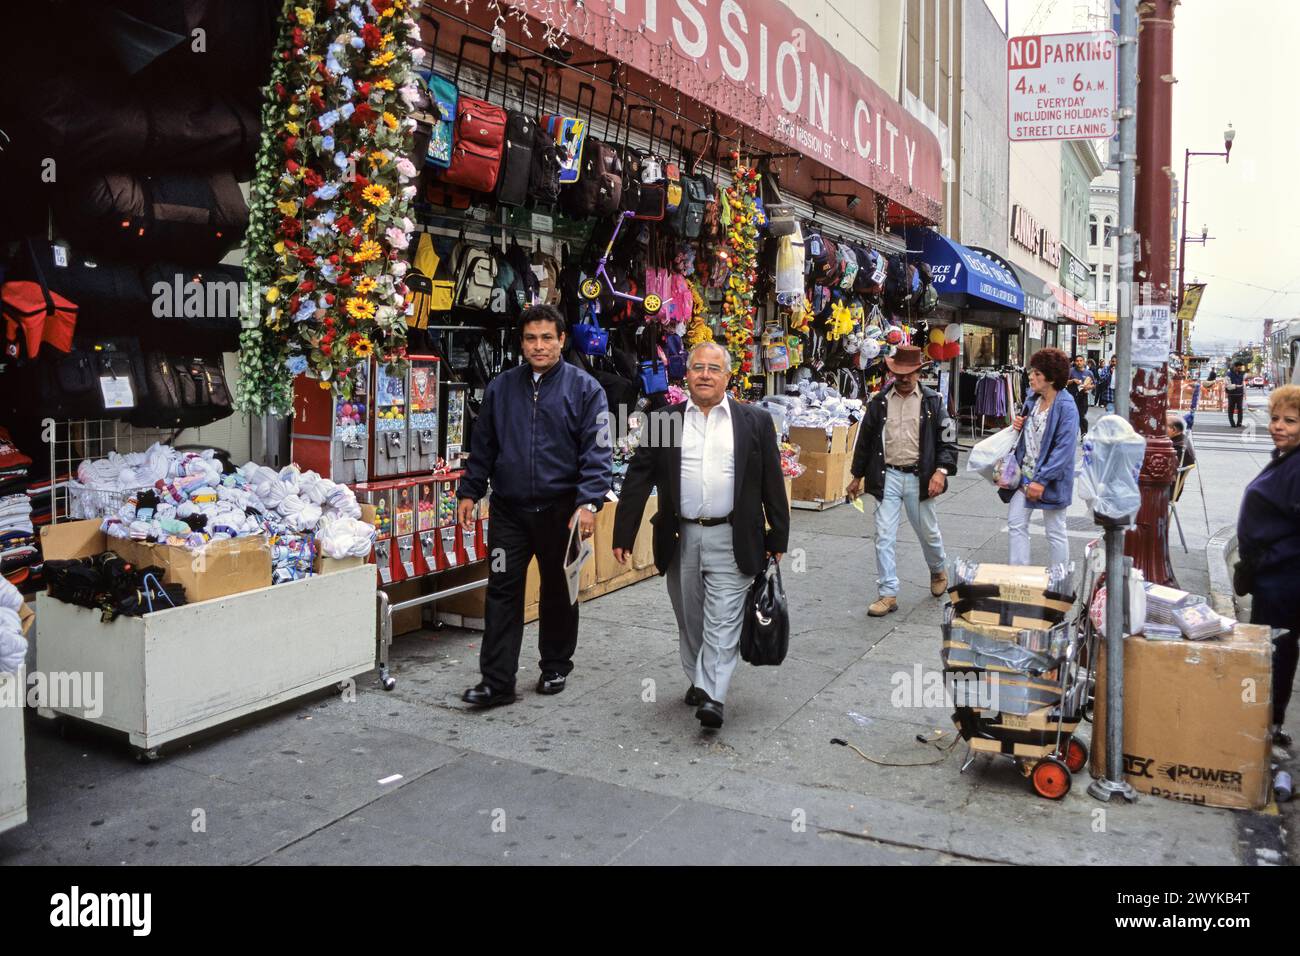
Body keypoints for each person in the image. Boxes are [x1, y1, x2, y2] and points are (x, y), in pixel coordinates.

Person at [611, 341, 789, 729]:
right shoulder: (665, 420)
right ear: (686, 375)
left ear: (727, 376)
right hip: (681, 538)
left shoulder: (753, 422)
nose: (705, 374)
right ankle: (698, 677)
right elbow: (639, 476)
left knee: (723, 619)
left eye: (713, 368)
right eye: (697, 367)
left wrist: (778, 538)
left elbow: (771, 482)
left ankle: (713, 695)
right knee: (689, 617)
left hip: (734, 536)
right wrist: (622, 531)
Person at [455, 304, 612, 709]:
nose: (538, 346)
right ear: (521, 343)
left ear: (562, 340)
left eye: (547, 337)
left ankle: (556, 664)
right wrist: (470, 492)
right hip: (509, 512)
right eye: (530, 338)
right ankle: (497, 682)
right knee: (502, 590)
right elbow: (483, 446)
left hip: (562, 512)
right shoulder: (501, 388)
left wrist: (589, 502)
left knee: (559, 590)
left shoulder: (585, 389)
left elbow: (597, 453)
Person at [846, 343, 958, 617]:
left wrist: (941, 471)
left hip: (920, 477)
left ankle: (937, 569)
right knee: (883, 535)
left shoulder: (933, 401)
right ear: (893, 373)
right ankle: (887, 593)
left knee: (928, 533)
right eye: (899, 373)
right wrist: (856, 476)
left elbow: (948, 438)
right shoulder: (879, 402)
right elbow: (865, 440)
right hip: (888, 476)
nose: (904, 378)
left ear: (919, 373)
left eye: (910, 373)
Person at [1236, 384, 1300, 747]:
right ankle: (1266, 720)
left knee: (1275, 652)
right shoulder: (1285, 457)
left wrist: (1265, 560)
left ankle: (1268, 724)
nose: (1278, 426)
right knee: (1273, 651)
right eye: (1275, 418)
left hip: (1283, 581)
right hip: (1271, 578)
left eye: (1290, 421)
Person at [1006, 348, 1079, 569]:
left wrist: (1042, 479)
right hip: (1024, 474)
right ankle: (1018, 575)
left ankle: (1059, 579)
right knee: (1016, 523)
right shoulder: (1032, 399)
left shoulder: (1066, 406)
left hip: (1051, 478)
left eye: (1037, 374)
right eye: (1032, 372)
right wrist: (1019, 424)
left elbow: (1064, 450)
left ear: (1052, 377)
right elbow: (1027, 432)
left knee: (1055, 530)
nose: (1031, 376)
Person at [1068, 353, 1095, 437]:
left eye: (1080, 361)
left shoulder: (1089, 373)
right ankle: (1072, 434)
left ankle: (1084, 433)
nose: (1079, 362)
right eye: (1077, 361)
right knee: (1073, 415)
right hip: (1072, 396)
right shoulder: (1071, 371)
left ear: (1084, 362)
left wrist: (1088, 387)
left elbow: (1093, 384)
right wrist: (1072, 381)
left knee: (1081, 415)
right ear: (1074, 362)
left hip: (1083, 396)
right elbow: (1065, 382)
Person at [1226, 361, 1247, 427]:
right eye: (1238, 368)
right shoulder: (1229, 374)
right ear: (1234, 367)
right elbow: (1228, 386)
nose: (1239, 369)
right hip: (1231, 395)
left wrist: (1244, 392)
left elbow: (1243, 383)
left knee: (1240, 409)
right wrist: (1236, 386)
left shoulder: (1241, 374)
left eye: (1240, 368)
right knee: (1231, 409)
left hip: (1239, 394)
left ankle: (1239, 423)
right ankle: (1232, 423)